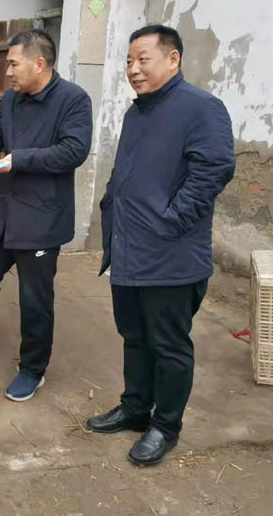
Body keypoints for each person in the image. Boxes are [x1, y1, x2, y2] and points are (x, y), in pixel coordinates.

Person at [86, 25, 235, 466]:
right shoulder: (138, 112)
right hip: (130, 248)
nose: (133, 69)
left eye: (143, 59)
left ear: (173, 59)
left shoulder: (201, 108)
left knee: (169, 344)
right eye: (129, 61)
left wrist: (171, 222)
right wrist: (111, 201)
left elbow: (213, 169)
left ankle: (165, 426)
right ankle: (135, 409)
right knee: (134, 335)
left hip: (171, 254)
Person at [0, 29, 93, 402]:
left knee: (35, 299)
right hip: (5, 211)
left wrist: (21, 158)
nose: (8, 72)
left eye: (13, 63)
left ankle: (33, 369)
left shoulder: (73, 100)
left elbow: (73, 151)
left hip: (42, 218)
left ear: (39, 64)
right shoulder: (12, 99)